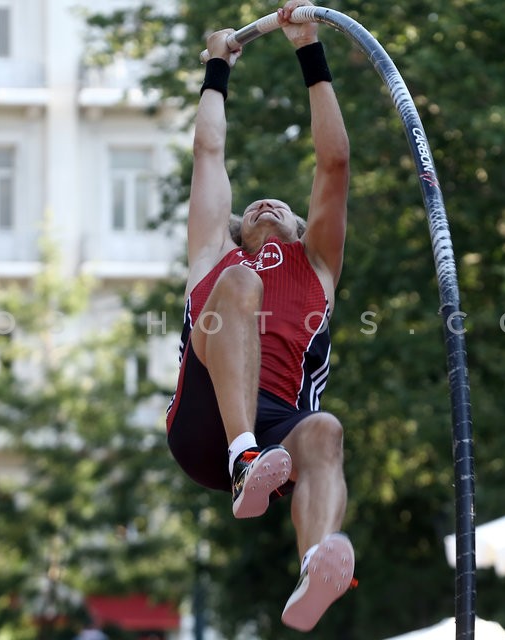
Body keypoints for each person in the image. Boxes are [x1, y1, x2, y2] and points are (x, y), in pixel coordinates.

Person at [164, 0, 353, 632]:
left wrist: (308, 47)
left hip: (281, 428)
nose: (264, 202)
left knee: (324, 431)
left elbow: (334, 164)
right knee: (242, 282)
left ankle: (315, 565)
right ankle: (245, 458)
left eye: (281, 207)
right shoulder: (215, 261)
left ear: (302, 230)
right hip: (204, 420)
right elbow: (208, 153)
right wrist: (217, 67)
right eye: (252, 207)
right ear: (237, 226)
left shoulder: (316, 266)